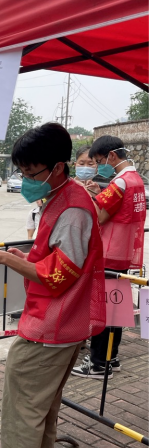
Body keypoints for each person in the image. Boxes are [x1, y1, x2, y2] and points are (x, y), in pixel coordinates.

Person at [0, 123, 105, 448]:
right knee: (43, 405)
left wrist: (7, 260)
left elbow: (61, 274)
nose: (26, 181)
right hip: (64, 323)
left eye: (31, 173)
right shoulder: (62, 196)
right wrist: (22, 257)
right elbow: (55, 258)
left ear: (58, 167)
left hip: (51, 325)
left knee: (21, 409)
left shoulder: (73, 208)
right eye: (22, 172)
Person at [72, 136, 146, 379]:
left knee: (102, 310)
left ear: (111, 156)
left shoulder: (120, 182)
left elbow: (100, 216)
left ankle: (97, 364)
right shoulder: (135, 179)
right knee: (116, 310)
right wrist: (98, 193)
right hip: (124, 253)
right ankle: (111, 358)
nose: (99, 165)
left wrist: (86, 196)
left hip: (108, 253)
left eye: (99, 160)